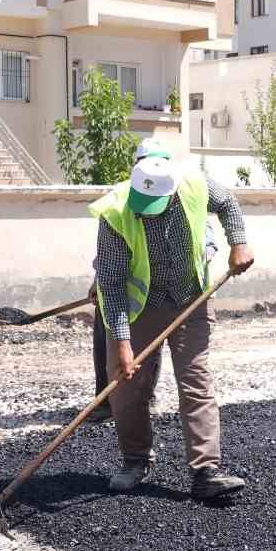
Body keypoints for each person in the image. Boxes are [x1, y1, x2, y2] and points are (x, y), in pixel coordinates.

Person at [90, 153, 255, 499]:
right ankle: (135, 459)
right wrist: (121, 343)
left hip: (190, 297)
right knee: (126, 385)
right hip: (139, 308)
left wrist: (238, 241)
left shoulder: (195, 184)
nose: (144, 211)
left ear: (172, 194)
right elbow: (112, 283)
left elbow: (228, 203)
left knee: (196, 380)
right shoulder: (115, 213)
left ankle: (206, 470)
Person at [86, 138, 172, 425]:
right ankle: (106, 399)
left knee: (151, 346)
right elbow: (109, 249)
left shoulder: (176, 194)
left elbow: (205, 240)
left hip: (155, 292)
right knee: (108, 341)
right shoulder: (121, 198)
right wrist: (99, 281)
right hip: (118, 284)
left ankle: (145, 396)